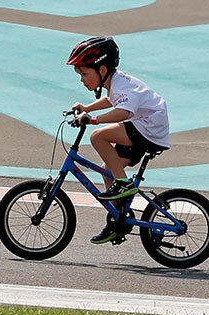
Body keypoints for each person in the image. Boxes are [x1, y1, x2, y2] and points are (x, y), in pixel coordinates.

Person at [66, 36, 171, 245]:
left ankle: (124, 184)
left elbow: (123, 111)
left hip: (149, 127)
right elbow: (110, 100)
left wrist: (93, 119)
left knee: (98, 136)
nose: (82, 79)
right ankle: (118, 220)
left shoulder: (122, 85)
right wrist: (87, 108)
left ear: (102, 70)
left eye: (85, 74)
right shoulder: (116, 84)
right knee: (108, 170)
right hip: (145, 126)